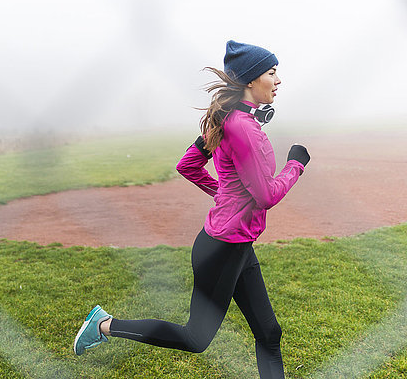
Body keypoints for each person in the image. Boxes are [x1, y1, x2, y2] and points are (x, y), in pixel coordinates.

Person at [73, 40, 310, 379]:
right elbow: (266, 195)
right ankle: (104, 325)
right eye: (272, 73)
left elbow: (189, 165)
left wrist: (225, 195)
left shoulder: (229, 119)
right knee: (196, 338)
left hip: (236, 244)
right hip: (224, 248)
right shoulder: (243, 128)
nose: (279, 80)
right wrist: (295, 165)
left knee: (269, 333)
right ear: (250, 80)